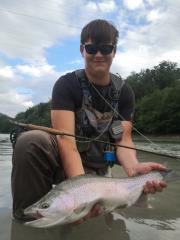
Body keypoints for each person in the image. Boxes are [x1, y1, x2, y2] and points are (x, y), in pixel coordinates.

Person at [11, 19, 167, 222]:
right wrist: (80, 196)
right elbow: (66, 142)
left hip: (98, 171)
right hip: (66, 161)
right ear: (82, 49)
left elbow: (123, 140)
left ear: (114, 51)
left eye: (106, 48)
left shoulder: (124, 93)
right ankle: (28, 221)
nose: (99, 54)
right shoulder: (67, 85)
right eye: (92, 48)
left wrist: (133, 168)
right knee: (30, 141)